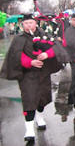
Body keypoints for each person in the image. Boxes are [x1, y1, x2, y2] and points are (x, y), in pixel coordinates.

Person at [0, 14, 69, 142]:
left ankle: (40, 117)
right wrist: (29, 62)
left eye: (31, 23)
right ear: (22, 25)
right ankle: (29, 129)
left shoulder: (45, 35)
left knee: (42, 98)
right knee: (29, 99)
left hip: (43, 73)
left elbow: (56, 47)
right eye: (26, 23)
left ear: (35, 23)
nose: (28, 26)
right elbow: (16, 55)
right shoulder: (19, 38)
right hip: (27, 74)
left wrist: (46, 54)